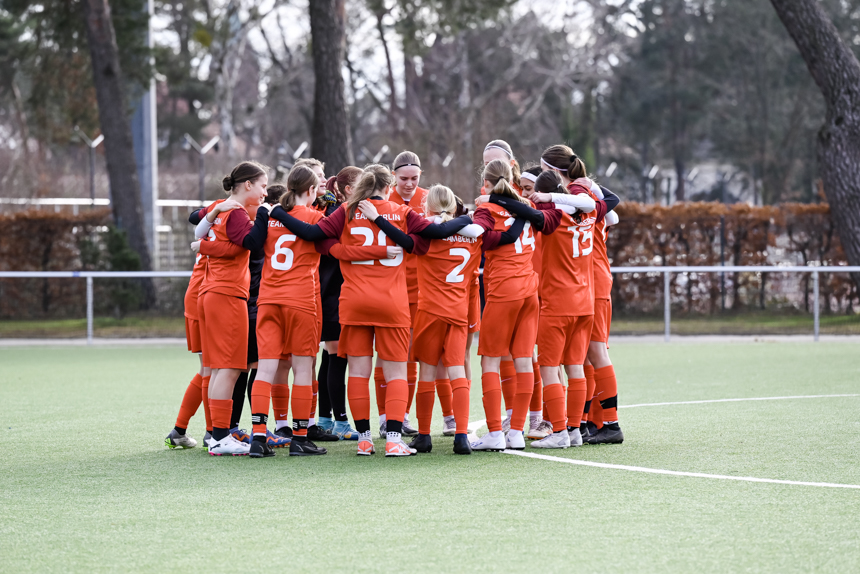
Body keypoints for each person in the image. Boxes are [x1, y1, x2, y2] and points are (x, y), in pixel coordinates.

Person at [267, 164, 471, 457]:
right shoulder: (400, 211)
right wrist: (468, 219)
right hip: (392, 302)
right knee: (397, 373)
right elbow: (429, 237)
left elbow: (319, 237)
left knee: (359, 374)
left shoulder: (347, 211)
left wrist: (342, 251)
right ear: (388, 187)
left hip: (354, 301)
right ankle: (392, 439)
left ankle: (364, 440)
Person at [409, 184, 525, 454]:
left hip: (430, 309)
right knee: (458, 369)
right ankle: (461, 434)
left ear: (429, 206)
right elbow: (501, 237)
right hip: (459, 310)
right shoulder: (473, 235)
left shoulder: (426, 230)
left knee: (427, 371)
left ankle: (424, 434)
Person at [469, 159, 564, 452]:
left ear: (486, 183)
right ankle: (518, 431)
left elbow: (478, 233)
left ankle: (497, 433)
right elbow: (549, 220)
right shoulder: (527, 206)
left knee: (490, 361)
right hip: (529, 291)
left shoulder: (489, 209)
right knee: (524, 360)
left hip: (503, 290)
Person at [524, 145, 609, 448]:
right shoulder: (587, 213)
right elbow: (598, 207)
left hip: (557, 302)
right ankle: (574, 430)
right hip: (584, 302)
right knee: (576, 369)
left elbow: (531, 215)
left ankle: (559, 431)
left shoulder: (552, 219)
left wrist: (544, 200)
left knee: (549, 368)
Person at [196, 160, 269, 456]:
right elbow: (251, 243)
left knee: (218, 369)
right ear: (248, 185)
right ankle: (220, 436)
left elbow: (204, 233)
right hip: (227, 293)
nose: (265, 192)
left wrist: (203, 245)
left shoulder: (222, 206)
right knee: (232, 367)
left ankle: (216, 435)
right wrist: (265, 216)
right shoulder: (237, 212)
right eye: (263, 186)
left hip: (213, 291)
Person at [164, 197, 245, 449]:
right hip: (206, 296)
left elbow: (195, 217)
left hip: (201, 296)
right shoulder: (229, 219)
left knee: (209, 368)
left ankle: (182, 430)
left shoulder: (219, 220)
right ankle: (214, 433)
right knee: (211, 368)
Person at [373, 150, 427, 438]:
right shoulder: (381, 201)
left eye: (415, 179)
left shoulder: (429, 199)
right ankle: (384, 417)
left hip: (419, 288)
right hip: (387, 289)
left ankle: (401, 416)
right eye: (404, 178)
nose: (409, 184)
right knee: (385, 357)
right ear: (392, 176)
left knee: (409, 357)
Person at [314, 167, 365, 440]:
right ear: (348, 190)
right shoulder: (339, 214)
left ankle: (325, 418)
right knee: (337, 357)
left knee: (330, 357)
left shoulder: (341, 211)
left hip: (331, 292)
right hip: (333, 293)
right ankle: (341, 422)